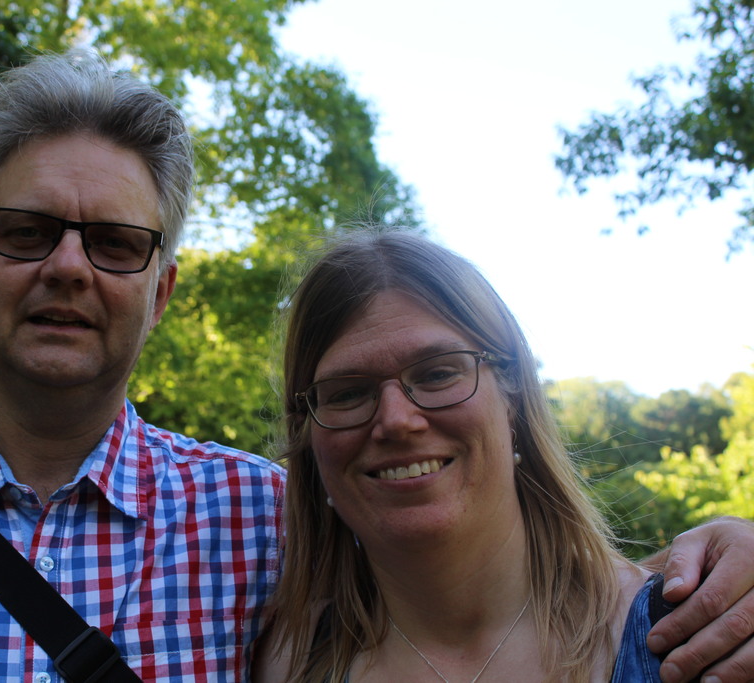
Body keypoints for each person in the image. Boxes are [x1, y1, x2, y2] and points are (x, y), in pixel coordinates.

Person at [0, 50, 751, 682]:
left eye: (116, 243)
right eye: (28, 229)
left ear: (161, 287)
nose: (70, 267)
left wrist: (723, 552)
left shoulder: (280, 518)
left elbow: (494, 559)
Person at [256, 227, 754, 683]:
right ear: (307, 433)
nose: (396, 420)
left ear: (513, 396)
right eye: (346, 393)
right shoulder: (284, 661)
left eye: (437, 373)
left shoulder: (704, 637)